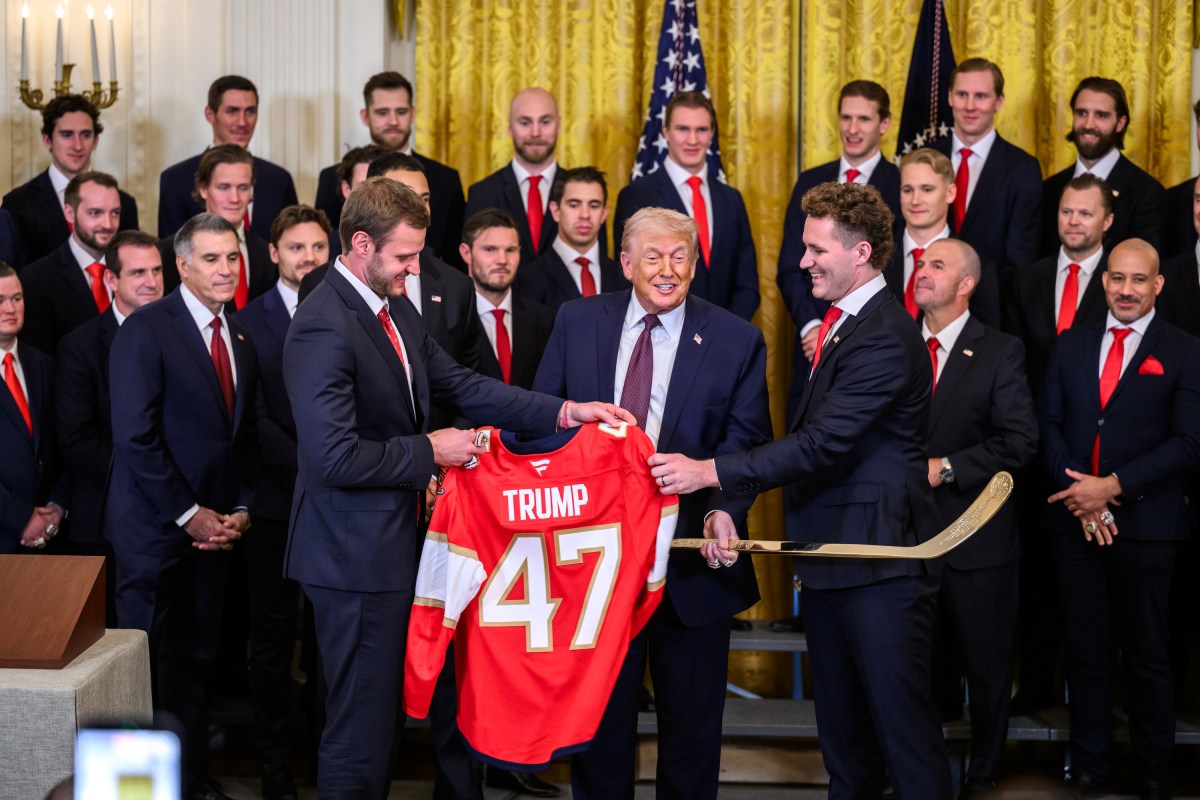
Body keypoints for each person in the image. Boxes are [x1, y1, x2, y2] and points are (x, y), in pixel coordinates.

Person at [283, 176, 629, 798]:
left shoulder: (393, 307)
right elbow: (332, 456)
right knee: (359, 730)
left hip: (388, 548)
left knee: (380, 722)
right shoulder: (323, 323)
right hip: (351, 557)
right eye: (405, 256)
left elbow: (465, 386)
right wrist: (429, 451)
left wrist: (566, 412)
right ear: (362, 244)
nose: (416, 268)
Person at [649, 181, 953, 799]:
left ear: (861, 253)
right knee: (844, 743)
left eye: (816, 250)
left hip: (880, 568)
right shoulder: (847, 325)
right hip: (833, 562)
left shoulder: (884, 337)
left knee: (904, 738)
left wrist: (709, 472)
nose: (803, 261)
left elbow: (821, 445)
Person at [533, 205, 770, 799]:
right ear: (627, 262)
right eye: (654, 256)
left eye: (680, 256)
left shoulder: (737, 339)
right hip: (593, 569)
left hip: (691, 566)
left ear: (695, 261)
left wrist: (724, 511)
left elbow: (746, 444)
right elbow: (540, 422)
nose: (668, 269)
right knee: (599, 735)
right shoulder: (577, 320)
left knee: (692, 738)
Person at [106, 213, 258, 800]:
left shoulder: (238, 334)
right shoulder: (146, 329)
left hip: (215, 533)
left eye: (233, 258)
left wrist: (240, 508)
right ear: (184, 265)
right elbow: (135, 438)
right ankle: (134, 792)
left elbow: (240, 438)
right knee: (140, 671)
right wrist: (188, 512)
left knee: (196, 664)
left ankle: (188, 781)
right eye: (213, 259)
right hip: (154, 536)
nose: (226, 270)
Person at [1041, 238, 1200, 800]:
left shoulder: (1183, 351)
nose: (1126, 290)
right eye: (1116, 278)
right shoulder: (1070, 345)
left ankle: (1155, 771)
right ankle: (1088, 765)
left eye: (1139, 280)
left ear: (1157, 285)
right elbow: (1050, 427)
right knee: (1085, 652)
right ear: (1103, 281)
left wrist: (1112, 489)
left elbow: (1188, 442)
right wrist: (1081, 493)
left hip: (1148, 527)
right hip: (1076, 524)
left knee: (1148, 655)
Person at [913, 238, 1037, 796]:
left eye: (936, 265)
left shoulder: (999, 350)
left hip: (978, 541)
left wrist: (945, 468)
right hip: (909, 541)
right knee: (919, 668)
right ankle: (921, 769)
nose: (922, 271)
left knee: (986, 669)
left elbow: (1019, 441)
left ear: (966, 285)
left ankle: (985, 771)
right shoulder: (895, 346)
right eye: (919, 262)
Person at [1005, 173, 1115, 716]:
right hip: (1032, 449)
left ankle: (1093, 697)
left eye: (1085, 213)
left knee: (1095, 585)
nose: (1073, 221)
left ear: (1107, 222)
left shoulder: (1120, 283)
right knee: (1038, 574)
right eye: (1067, 212)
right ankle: (1040, 686)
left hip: (1099, 458)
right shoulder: (1027, 278)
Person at [233, 205, 328, 800]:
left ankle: (325, 755)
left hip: (335, 507)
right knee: (269, 638)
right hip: (273, 503)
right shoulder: (246, 322)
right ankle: (273, 761)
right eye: (296, 248)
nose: (308, 258)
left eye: (319, 247)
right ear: (273, 254)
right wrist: (319, 461)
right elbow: (254, 418)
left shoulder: (349, 313)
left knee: (326, 639)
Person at [56, 230, 163, 621]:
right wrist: (149, 476)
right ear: (111, 279)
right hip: (104, 521)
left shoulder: (178, 336)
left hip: (171, 520)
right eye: (138, 273)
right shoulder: (80, 346)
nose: (151, 281)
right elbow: (76, 439)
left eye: (156, 270)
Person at [778, 80, 900, 382]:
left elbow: (894, 264)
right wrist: (811, 327)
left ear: (884, 123)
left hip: (874, 339)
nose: (853, 128)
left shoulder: (901, 185)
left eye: (864, 119)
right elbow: (792, 267)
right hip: (813, 342)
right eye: (846, 118)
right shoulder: (810, 180)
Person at [613, 92, 759, 321]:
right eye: (683, 129)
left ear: (711, 133)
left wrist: (725, 331)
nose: (692, 140)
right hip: (663, 335)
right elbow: (628, 278)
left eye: (701, 130)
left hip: (725, 337)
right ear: (666, 132)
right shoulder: (637, 195)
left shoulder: (732, 199)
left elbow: (748, 284)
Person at [314, 71, 465, 264]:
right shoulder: (331, 178)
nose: (393, 121)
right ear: (365, 116)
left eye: (401, 112)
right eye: (382, 112)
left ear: (412, 113)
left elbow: (455, 258)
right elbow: (326, 250)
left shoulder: (445, 179)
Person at [930, 58, 1042, 272]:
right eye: (962, 95)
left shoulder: (1023, 169)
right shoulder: (925, 158)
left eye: (980, 96)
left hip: (993, 298)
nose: (970, 106)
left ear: (999, 101)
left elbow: (1021, 259)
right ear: (950, 97)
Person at [2, 95, 139, 264]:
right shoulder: (18, 203)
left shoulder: (125, 203)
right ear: (47, 140)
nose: (77, 145)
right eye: (67, 135)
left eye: (86, 135)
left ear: (96, 141)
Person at [157, 75, 298, 240]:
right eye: (232, 111)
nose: (242, 122)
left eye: (250, 111)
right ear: (210, 115)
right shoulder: (176, 179)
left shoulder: (279, 179)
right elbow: (172, 252)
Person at [1040, 77, 1165, 257]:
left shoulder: (1146, 193)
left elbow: (1147, 268)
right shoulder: (1049, 189)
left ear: (1120, 123)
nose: (1089, 124)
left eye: (1101, 115)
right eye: (1081, 113)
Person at [466, 87, 589, 266]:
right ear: (509, 126)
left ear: (559, 124)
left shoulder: (584, 193)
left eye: (545, 122)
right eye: (525, 123)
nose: (535, 132)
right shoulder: (482, 193)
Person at [886, 148, 1000, 328]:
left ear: (950, 193)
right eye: (908, 190)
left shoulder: (978, 266)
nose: (915, 200)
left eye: (927, 189)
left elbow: (985, 343)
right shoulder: (874, 258)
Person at [18, 172, 124, 355]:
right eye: (95, 213)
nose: (108, 224)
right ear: (69, 213)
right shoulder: (38, 279)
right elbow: (41, 358)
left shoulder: (133, 269)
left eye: (115, 213)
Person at [0, 263, 66, 554]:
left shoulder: (44, 365)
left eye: (17, 298)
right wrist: (21, 518)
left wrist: (57, 505)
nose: (10, 308)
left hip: (49, 535)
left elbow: (63, 442)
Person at [159, 145, 276, 309]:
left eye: (243, 188)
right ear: (203, 190)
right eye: (224, 187)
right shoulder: (168, 253)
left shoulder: (265, 252)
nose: (235, 198)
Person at [516, 167, 626, 316]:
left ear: (604, 213)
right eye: (574, 205)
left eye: (594, 206)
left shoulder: (625, 277)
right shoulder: (527, 280)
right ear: (556, 211)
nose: (585, 215)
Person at [464, 209, 554, 390]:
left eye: (510, 250)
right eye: (490, 249)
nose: (502, 260)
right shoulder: (450, 319)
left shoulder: (543, 319)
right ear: (466, 253)